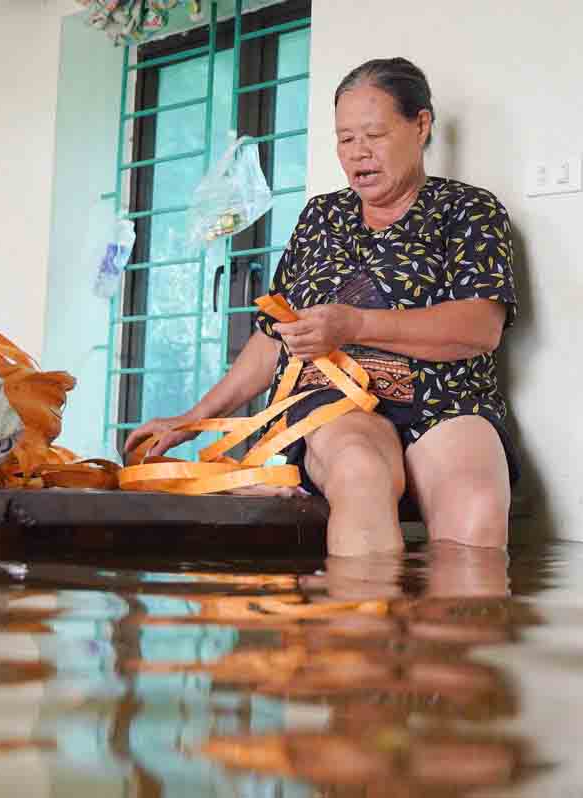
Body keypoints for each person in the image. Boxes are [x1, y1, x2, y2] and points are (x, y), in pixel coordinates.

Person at [125, 58, 519, 557]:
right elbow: (275, 335)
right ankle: (356, 628)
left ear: (420, 125)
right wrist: (191, 418)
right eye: (346, 139)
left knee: (477, 507)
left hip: (444, 400)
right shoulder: (320, 217)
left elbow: (480, 328)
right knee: (361, 469)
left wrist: (354, 323)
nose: (359, 153)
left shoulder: (468, 210)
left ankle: (442, 633)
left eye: (374, 134)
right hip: (332, 406)